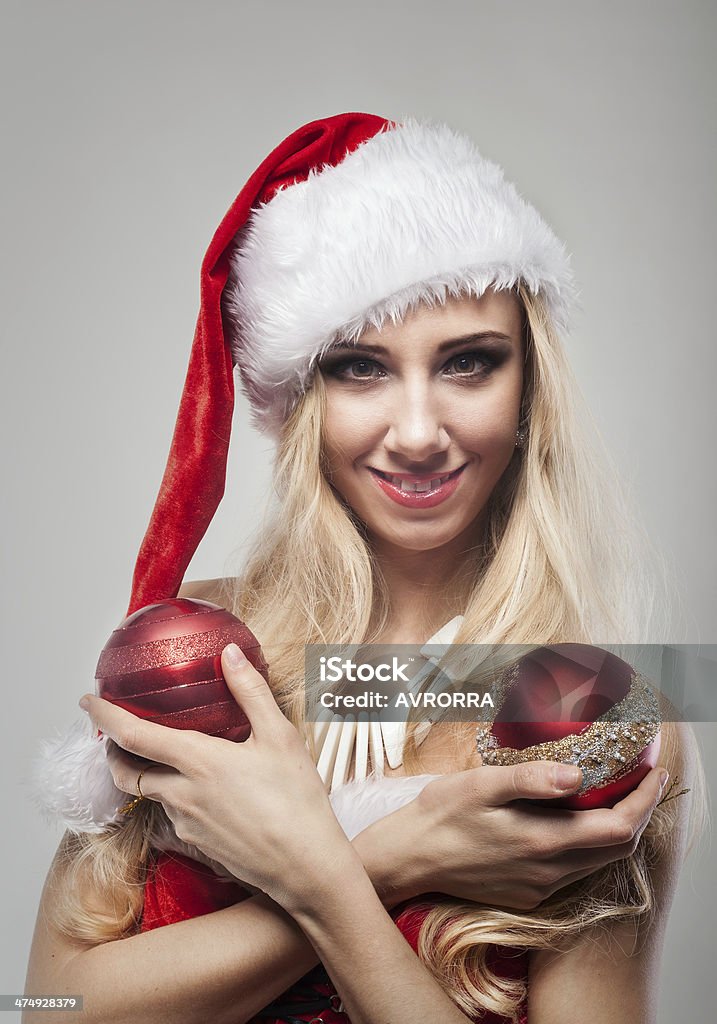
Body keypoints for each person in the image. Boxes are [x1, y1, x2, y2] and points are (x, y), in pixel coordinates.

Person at [24, 114, 703, 1024]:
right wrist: (395, 858)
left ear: (527, 390)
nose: (418, 433)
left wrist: (326, 886)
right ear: (303, 398)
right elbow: (53, 1007)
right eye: (359, 368)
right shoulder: (196, 654)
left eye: (468, 362)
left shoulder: (585, 709)